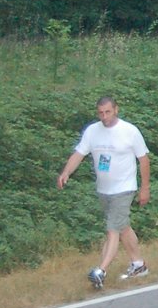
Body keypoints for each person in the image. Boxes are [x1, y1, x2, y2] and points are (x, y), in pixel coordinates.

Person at [57, 96, 151, 289]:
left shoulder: (129, 131)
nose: (104, 116)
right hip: (104, 189)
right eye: (100, 113)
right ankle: (139, 265)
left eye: (108, 112)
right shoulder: (92, 131)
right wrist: (66, 172)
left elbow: (144, 160)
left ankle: (101, 270)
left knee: (112, 229)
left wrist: (145, 188)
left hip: (124, 188)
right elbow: (79, 154)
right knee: (122, 227)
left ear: (116, 109)